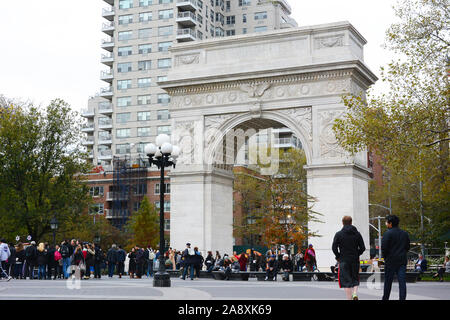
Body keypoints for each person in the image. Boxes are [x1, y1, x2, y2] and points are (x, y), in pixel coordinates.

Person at [332, 215, 366, 300]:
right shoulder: (357, 234)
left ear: (342, 223)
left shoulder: (339, 234)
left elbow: (334, 247)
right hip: (354, 259)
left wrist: (338, 256)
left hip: (344, 259)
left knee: (346, 280)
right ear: (351, 222)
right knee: (355, 277)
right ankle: (354, 293)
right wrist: (357, 253)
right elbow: (363, 248)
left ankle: (349, 298)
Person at [381, 215, 410, 301]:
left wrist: (385, 257)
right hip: (402, 260)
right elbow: (407, 247)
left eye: (387, 222)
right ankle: (402, 298)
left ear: (390, 223)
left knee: (388, 282)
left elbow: (384, 248)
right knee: (402, 282)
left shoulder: (387, 233)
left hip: (390, 261)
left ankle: (385, 298)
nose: (386, 224)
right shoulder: (404, 234)